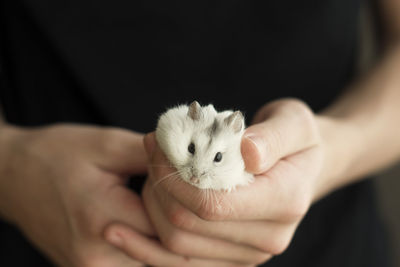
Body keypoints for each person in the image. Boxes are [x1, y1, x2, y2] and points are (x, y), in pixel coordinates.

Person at [0, 0, 398, 266]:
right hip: (45, 236)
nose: (196, 174)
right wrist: (10, 170)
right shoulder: (180, 121)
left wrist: (332, 152)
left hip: (330, 245)